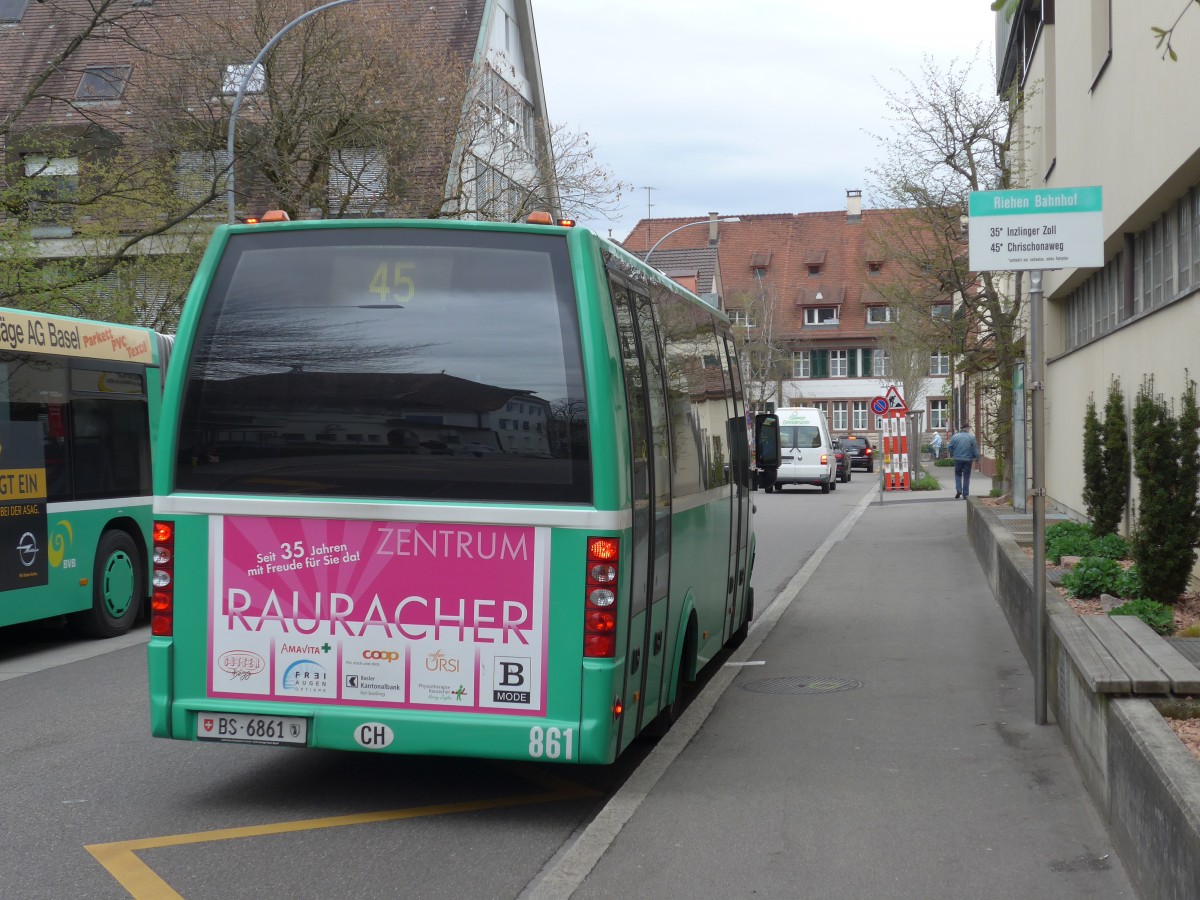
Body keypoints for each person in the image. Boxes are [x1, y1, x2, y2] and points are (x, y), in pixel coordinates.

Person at [947, 424, 980, 499]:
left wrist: (954, 453)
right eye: (969, 428)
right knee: (966, 476)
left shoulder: (955, 437)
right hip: (968, 459)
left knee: (958, 475)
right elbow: (975, 449)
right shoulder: (971, 437)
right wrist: (977, 458)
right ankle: (966, 494)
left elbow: (949, 447)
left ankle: (959, 490)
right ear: (967, 429)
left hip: (958, 459)